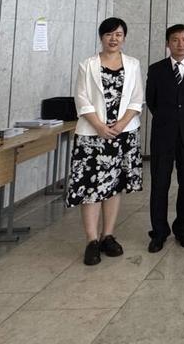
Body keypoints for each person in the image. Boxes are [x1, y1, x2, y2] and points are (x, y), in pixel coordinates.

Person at [66, 17, 144, 265]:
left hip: (123, 133)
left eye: (118, 34)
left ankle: (107, 235)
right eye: (109, 34)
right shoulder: (87, 64)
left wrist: (120, 125)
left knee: (114, 186)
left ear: (124, 37)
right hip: (92, 136)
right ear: (101, 37)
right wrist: (100, 126)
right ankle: (91, 240)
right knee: (91, 188)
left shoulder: (133, 64)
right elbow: (81, 99)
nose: (113, 39)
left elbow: (137, 99)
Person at [145, 23, 184, 252]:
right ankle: (159, 232)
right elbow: (151, 101)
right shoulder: (156, 69)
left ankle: (183, 229)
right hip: (163, 134)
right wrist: (169, 118)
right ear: (167, 43)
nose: (180, 44)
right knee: (159, 184)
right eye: (175, 39)